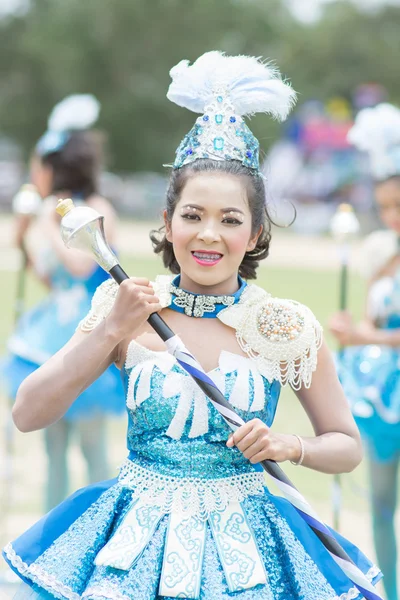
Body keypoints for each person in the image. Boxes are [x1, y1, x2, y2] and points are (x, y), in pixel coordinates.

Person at [3, 52, 381, 600]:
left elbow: (346, 445)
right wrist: (111, 331)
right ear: (168, 222)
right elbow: (27, 411)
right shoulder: (124, 304)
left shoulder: (283, 325)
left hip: (248, 555)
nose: (208, 234)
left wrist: (287, 444)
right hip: (134, 548)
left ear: (254, 234)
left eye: (230, 220)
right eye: (193, 215)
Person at [3, 94, 125, 512]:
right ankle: (53, 528)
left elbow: (78, 266)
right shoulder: (51, 212)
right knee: (53, 443)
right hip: (51, 332)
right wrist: (21, 240)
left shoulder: (96, 208)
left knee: (91, 444)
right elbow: (53, 280)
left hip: (90, 333)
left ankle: (102, 521)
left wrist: (49, 223)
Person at [330, 102, 400, 600]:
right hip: (382, 397)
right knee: (379, 502)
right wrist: (350, 329)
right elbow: (375, 319)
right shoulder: (383, 255)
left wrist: (364, 338)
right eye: (386, 206)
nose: (393, 216)